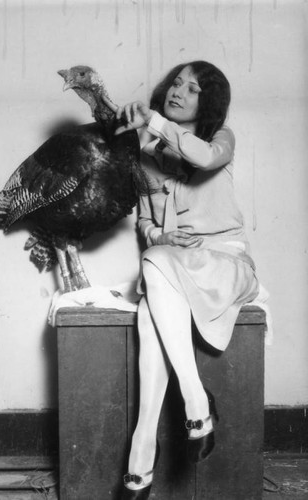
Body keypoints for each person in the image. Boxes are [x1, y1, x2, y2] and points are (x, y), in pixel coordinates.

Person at [114, 61, 260, 500]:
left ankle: (171, 423)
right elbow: (144, 222)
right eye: (176, 82)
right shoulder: (146, 157)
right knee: (151, 291)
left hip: (224, 264)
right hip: (173, 264)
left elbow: (204, 157)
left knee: (153, 267)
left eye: (192, 89)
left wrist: (155, 123)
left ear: (207, 102)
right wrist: (162, 234)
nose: (179, 91)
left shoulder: (219, 140)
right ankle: (166, 427)